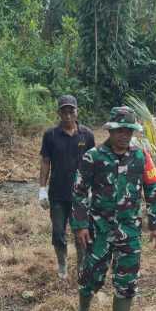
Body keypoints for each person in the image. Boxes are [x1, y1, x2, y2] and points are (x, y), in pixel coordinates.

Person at [70, 106, 156, 311]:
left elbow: (153, 189)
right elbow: (79, 191)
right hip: (98, 229)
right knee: (91, 274)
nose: (124, 135)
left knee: (127, 280)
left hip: (130, 231)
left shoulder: (141, 156)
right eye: (120, 130)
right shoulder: (94, 156)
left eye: (129, 131)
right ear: (110, 130)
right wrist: (80, 224)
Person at [39, 95, 96, 279]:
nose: (68, 114)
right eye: (64, 111)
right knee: (58, 233)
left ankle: (81, 267)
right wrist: (42, 189)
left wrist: (93, 188)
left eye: (71, 110)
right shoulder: (51, 135)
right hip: (58, 194)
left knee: (81, 233)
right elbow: (46, 162)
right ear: (59, 113)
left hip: (80, 196)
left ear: (77, 111)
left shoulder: (87, 135)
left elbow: (93, 162)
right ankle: (62, 265)